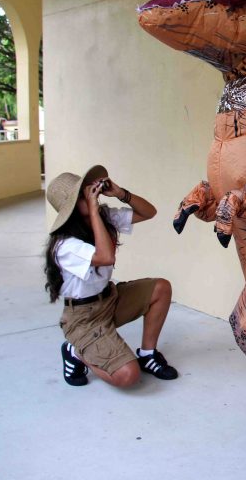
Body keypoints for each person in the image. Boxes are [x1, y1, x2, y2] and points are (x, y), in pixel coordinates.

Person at [44, 164, 178, 387]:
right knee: (128, 377)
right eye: (82, 196)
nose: (91, 196)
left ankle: (147, 353)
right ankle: (75, 351)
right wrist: (95, 211)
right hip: (84, 318)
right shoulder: (64, 245)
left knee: (161, 288)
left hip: (110, 299)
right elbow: (106, 257)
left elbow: (149, 212)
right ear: (72, 208)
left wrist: (121, 193)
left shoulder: (103, 217)